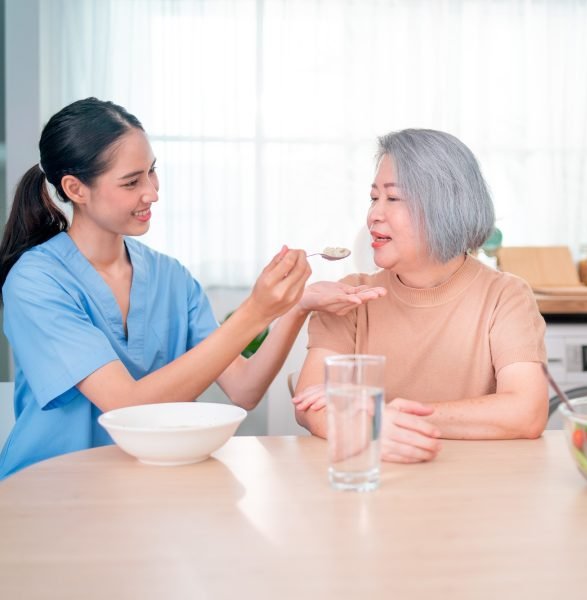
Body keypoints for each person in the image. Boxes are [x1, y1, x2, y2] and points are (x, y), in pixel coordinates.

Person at [0, 97, 385, 479]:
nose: (152, 191)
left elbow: (244, 389)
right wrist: (255, 310)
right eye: (132, 181)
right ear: (76, 189)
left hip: (143, 491)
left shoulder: (171, 277)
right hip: (47, 491)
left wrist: (295, 306)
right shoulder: (36, 281)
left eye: (152, 172)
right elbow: (126, 408)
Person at [293, 128, 549, 463]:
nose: (374, 215)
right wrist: (366, 431)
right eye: (374, 198)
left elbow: (526, 412)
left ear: (445, 206)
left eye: (393, 198)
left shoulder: (506, 295)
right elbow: (309, 405)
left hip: (477, 494)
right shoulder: (350, 297)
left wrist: (379, 415)